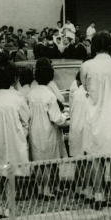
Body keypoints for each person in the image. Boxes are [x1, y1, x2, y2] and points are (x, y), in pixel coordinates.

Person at [80, 31, 111, 210]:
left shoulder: (86, 66)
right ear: (110, 45)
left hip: (95, 116)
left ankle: (99, 197)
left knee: (96, 159)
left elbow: (85, 87)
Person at [0, 64, 30, 219]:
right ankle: (8, 208)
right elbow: (26, 120)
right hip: (13, 140)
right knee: (10, 176)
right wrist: (21, 135)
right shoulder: (17, 99)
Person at [27, 63, 68, 198]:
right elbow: (56, 118)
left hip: (34, 130)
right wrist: (65, 118)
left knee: (37, 162)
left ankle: (39, 189)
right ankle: (46, 189)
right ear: (50, 78)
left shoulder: (31, 94)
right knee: (48, 162)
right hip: (48, 131)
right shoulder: (50, 95)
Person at [68, 72, 91, 199]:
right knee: (88, 162)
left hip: (76, 127)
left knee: (79, 161)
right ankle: (87, 189)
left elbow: (71, 111)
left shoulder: (75, 93)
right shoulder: (91, 93)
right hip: (87, 128)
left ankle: (77, 188)